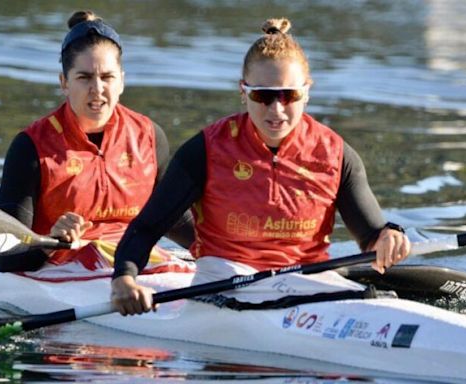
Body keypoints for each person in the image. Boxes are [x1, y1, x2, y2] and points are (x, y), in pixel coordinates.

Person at [111, 18, 410, 315]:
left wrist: (388, 237)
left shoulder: (335, 154)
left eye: (289, 95)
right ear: (244, 92)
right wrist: (124, 278)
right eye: (263, 96)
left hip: (308, 282)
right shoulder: (205, 150)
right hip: (224, 282)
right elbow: (147, 227)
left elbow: (371, 233)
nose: (276, 110)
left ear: (306, 91)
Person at [0, 10, 194, 273]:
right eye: (84, 77)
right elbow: (5, 257)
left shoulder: (149, 136)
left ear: (121, 81)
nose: (97, 89)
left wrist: (236, 250)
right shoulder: (30, 147)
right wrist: (52, 241)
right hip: (63, 268)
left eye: (107, 77)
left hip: (136, 266)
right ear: (64, 82)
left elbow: (175, 219)